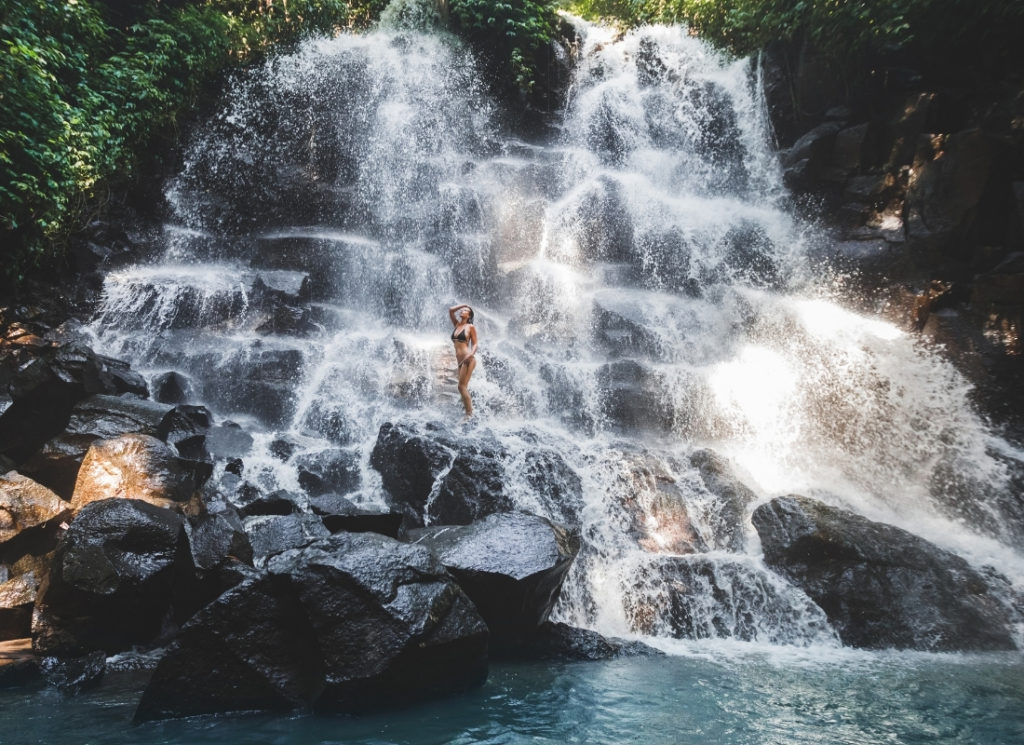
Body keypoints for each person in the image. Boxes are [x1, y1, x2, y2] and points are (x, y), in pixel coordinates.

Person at [448, 303, 478, 417]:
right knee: (462, 387)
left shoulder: (470, 327)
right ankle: (467, 409)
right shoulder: (457, 325)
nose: (462, 311)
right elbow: (451, 310)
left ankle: (469, 415)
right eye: (462, 310)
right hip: (460, 362)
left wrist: (470, 354)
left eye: (465, 310)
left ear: (469, 316)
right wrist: (464, 305)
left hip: (468, 359)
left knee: (461, 387)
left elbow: (475, 344)